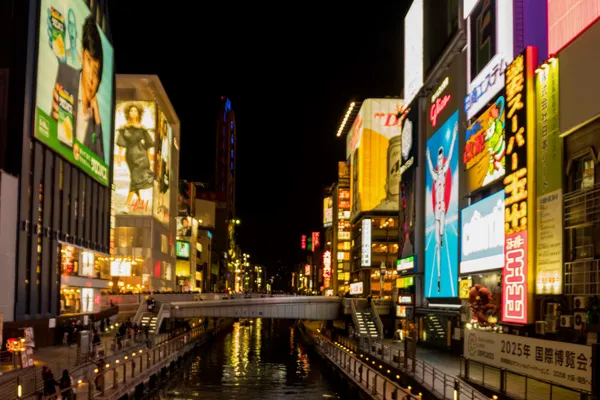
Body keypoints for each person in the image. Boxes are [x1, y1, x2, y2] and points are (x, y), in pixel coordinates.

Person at [49, 15, 105, 159]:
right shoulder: (65, 76)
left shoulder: (95, 119)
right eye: (88, 61)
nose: (91, 78)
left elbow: (101, 163)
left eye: (96, 71)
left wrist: (98, 122)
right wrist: (52, 125)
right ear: (82, 55)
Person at [426, 119, 458, 296]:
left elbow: (452, 153)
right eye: (438, 158)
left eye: (440, 157)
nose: (439, 160)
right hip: (436, 212)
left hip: (442, 208)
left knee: (441, 236)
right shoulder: (435, 173)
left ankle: (442, 238)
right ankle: (438, 278)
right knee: (437, 244)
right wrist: (427, 155)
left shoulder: (444, 170)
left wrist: (453, 136)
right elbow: (430, 166)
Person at [115, 103, 154, 211]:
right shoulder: (124, 128)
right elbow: (121, 143)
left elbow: (149, 143)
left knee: (134, 178)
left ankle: (126, 205)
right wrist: (118, 156)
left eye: (135, 111)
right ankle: (140, 201)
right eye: (131, 111)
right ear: (128, 113)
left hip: (141, 155)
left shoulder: (142, 128)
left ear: (139, 113)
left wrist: (149, 159)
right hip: (130, 155)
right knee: (135, 177)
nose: (133, 113)